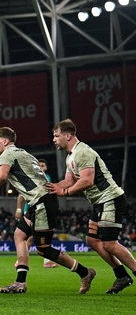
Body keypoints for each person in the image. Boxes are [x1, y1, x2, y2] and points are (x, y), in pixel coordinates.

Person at [0, 127, 95, 294]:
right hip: (39, 202)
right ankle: (20, 282)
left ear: (5, 141)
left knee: (43, 249)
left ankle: (85, 273)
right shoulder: (24, 153)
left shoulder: (7, 154)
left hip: (42, 202)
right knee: (19, 235)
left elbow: (1, 176)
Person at [47, 119, 136, 294]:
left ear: (68, 135)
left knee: (110, 244)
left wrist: (64, 193)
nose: (54, 140)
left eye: (56, 136)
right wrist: (51, 187)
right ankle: (122, 275)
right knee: (92, 240)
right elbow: (68, 181)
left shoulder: (83, 152)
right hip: (100, 201)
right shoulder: (70, 156)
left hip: (110, 198)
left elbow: (87, 180)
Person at [15, 158, 57, 268]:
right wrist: (19, 210)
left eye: (43, 165)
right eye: (40, 165)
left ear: (46, 168)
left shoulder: (47, 178)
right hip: (32, 210)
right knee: (29, 237)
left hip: (40, 210)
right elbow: (21, 194)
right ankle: (22, 262)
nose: (41, 167)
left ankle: (23, 261)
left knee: (33, 237)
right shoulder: (33, 177)